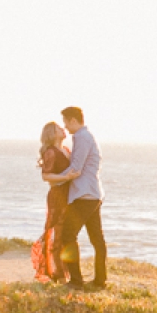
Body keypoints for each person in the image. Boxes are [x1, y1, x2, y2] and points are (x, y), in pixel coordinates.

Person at [43, 106, 106, 289]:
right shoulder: (86, 137)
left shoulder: (81, 137)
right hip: (92, 193)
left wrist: (55, 179)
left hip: (85, 195)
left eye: (65, 122)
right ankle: (100, 281)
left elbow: (76, 169)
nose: (66, 127)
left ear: (73, 120)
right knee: (96, 238)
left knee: (68, 235)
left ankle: (76, 281)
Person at [32, 121, 71, 282]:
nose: (63, 129)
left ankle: (65, 271)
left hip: (70, 195)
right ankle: (58, 273)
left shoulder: (67, 150)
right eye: (58, 129)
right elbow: (46, 176)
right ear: (52, 134)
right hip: (58, 196)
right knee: (58, 234)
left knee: (68, 234)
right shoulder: (50, 152)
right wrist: (66, 177)